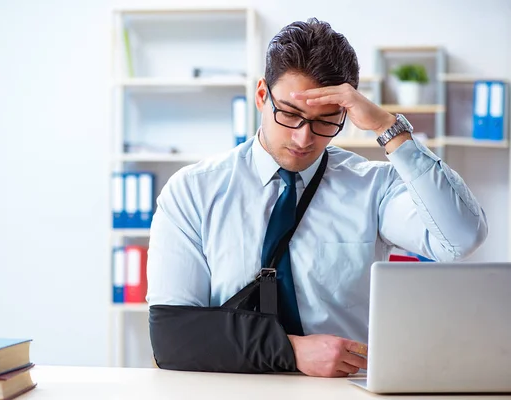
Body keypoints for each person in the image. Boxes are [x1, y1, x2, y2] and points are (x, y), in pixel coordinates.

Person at [146, 18, 488, 377]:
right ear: (262, 95)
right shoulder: (193, 191)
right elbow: (172, 335)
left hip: (343, 392)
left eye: (326, 121)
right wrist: (290, 351)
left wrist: (389, 128)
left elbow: (460, 239)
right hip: (230, 388)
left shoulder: (373, 186)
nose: (303, 138)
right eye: (290, 115)